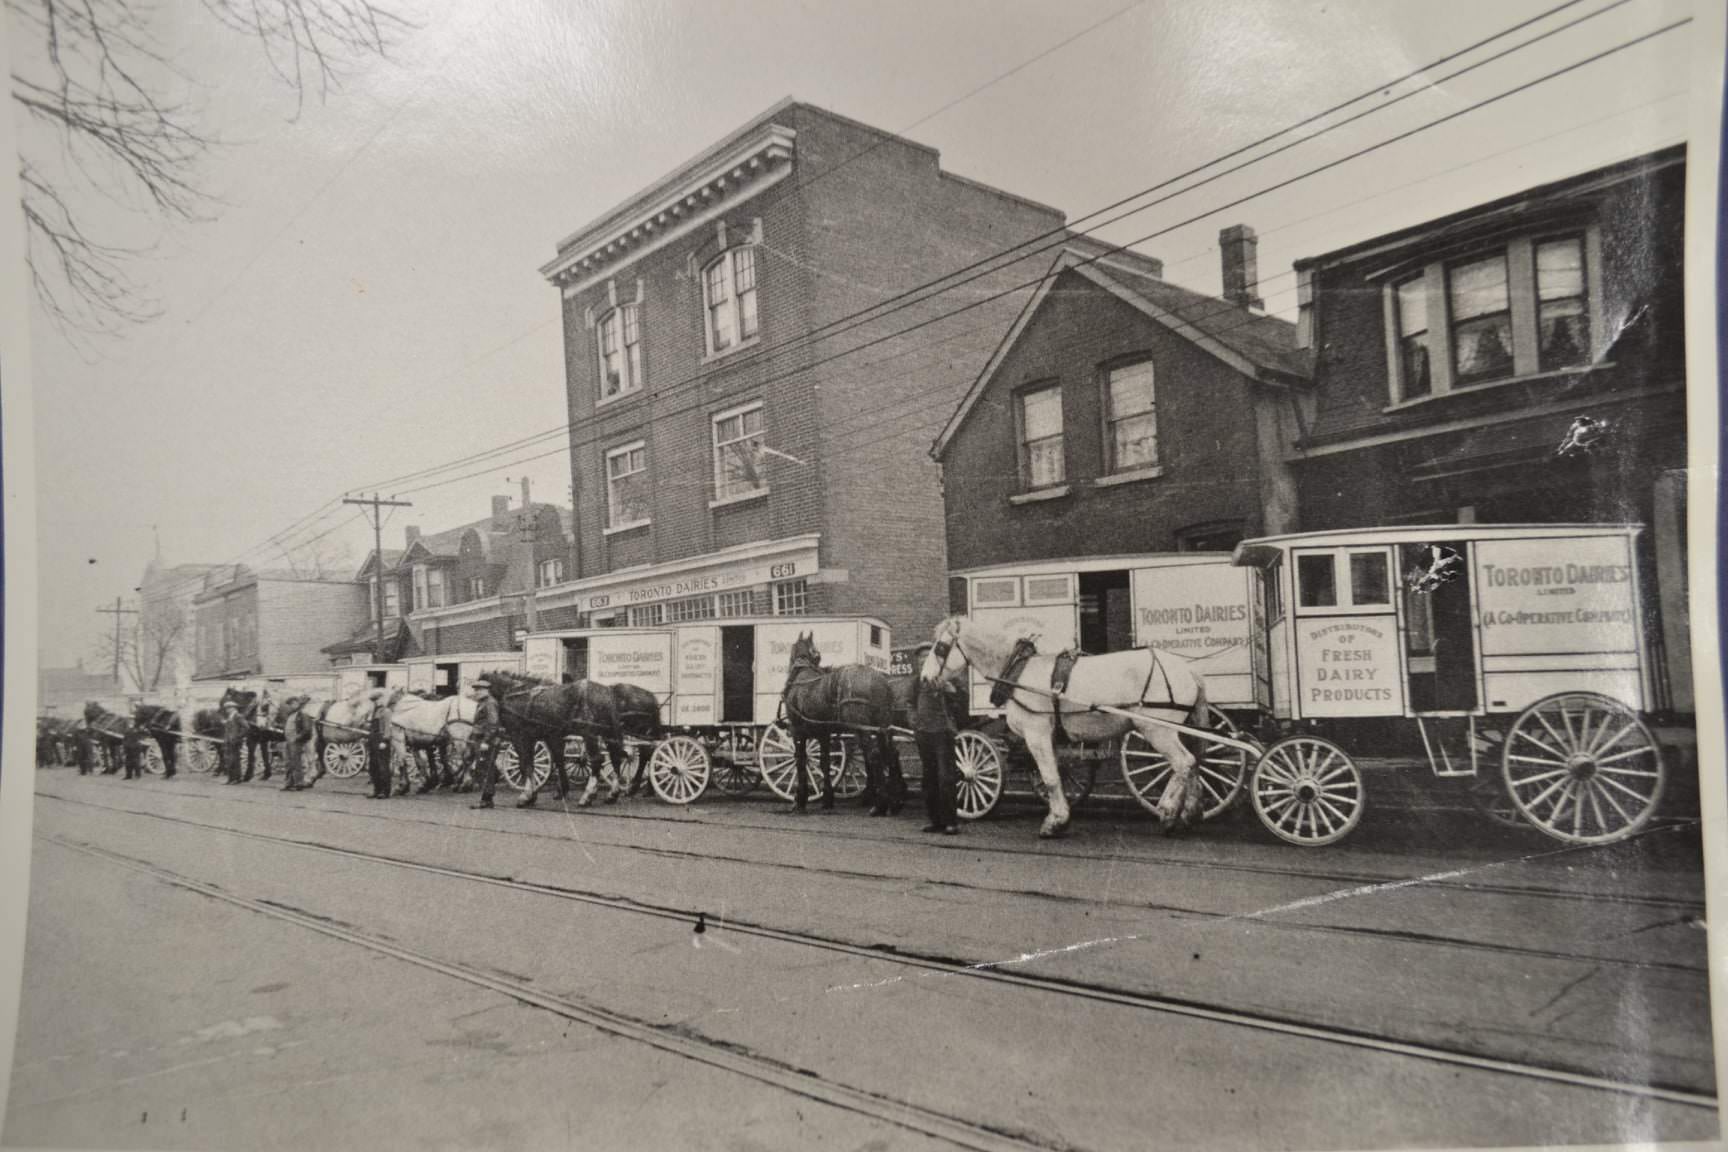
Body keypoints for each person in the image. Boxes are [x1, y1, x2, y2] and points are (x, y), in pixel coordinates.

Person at [911, 658, 962, 835]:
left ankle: (951, 822)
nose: (922, 664)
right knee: (929, 778)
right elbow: (910, 704)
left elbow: (960, 704)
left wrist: (950, 691)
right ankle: (935, 821)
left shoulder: (947, 680)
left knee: (945, 777)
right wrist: (915, 724)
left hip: (943, 733)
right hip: (924, 734)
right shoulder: (917, 682)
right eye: (920, 661)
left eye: (926, 660)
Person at [469, 677, 503, 810]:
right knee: (485, 768)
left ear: (486, 691)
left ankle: (486, 800)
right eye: (475, 690)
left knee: (485, 769)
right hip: (481, 739)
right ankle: (487, 797)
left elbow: (493, 724)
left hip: (487, 741)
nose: (476, 692)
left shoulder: (489, 703)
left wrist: (486, 742)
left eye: (478, 690)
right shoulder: (483, 702)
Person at [279, 696, 313, 791]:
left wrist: (297, 738)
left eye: (293, 704)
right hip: (288, 741)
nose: (292, 706)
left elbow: (307, 730)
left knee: (296, 763)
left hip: (296, 742)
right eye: (290, 704)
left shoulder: (303, 715)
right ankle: (288, 783)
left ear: (298, 704)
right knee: (288, 763)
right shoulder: (291, 715)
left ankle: (298, 783)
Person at [365, 691, 394, 799]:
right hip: (373, 740)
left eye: (377, 700)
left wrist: (384, 741)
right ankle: (376, 790)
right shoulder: (374, 712)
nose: (376, 702)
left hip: (381, 740)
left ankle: (385, 791)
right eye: (374, 701)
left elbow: (388, 728)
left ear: (382, 699)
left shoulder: (386, 711)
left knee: (383, 767)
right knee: (373, 767)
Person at [221, 700, 249, 785]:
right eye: (226, 708)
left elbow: (246, 727)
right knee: (229, 760)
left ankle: (237, 778)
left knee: (235, 760)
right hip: (228, 741)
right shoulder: (230, 717)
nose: (226, 710)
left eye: (228, 708)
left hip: (235, 742)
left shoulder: (238, 716)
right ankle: (230, 779)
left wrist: (238, 737)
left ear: (233, 708)